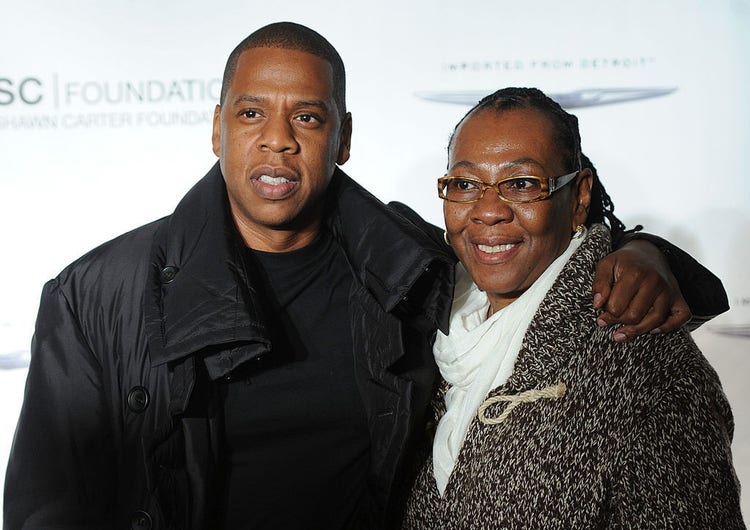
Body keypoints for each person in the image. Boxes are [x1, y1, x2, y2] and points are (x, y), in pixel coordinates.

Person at [3, 22, 728, 530]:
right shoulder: (98, 295)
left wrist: (644, 254)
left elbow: (534, 256)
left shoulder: (407, 265)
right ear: (217, 127)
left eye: (308, 118)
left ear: (344, 137)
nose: (278, 138)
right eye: (252, 112)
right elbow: (46, 508)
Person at [402, 87, 743, 528]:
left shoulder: (644, 361)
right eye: (465, 184)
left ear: (580, 196)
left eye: (522, 184)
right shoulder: (427, 312)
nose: (488, 211)